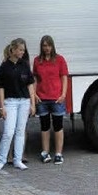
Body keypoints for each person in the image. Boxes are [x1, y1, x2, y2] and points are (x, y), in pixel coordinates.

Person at [0, 39, 36, 172]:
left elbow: (30, 85)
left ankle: (17, 159)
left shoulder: (25, 65)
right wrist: (2, 107)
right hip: (10, 102)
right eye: (21, 50)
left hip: (24, 101)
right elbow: (1, 88)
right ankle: (1, 160)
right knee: (8, 132)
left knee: (20, 131)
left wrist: (32, 104)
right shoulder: (4, 66)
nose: (23, 52)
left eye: (23, 50)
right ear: (13, 50)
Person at [33, 35, 68, 165]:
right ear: (41, 47)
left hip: (56, 98)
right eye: (44, 45)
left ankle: (58, 154)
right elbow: (35, 79)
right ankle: (45, 152)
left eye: (48, 45)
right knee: (44, 126)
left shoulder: (59, 60)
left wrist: (63, 94)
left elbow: (64, 77)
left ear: (52, 46)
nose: (46, 48)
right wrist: (35, 94)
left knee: (58, 126)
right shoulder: (37, 61)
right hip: (42, 98)